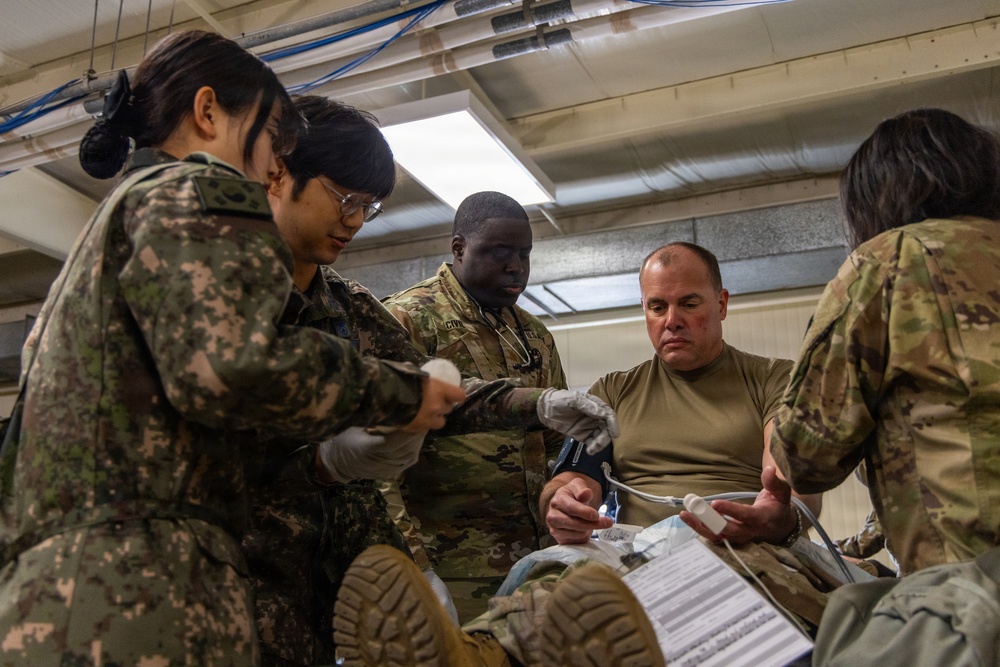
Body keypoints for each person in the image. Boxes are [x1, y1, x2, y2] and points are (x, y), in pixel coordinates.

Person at [0, 31, 464, 666]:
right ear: (208, 111)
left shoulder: (123, 217)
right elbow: (231, 366)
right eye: (272, 137)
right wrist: (399, 395)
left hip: (69, 583)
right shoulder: (196, 190)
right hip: (140, 583)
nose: (274, 167)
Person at [244, 97, 620, 666]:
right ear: (277, 175)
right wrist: (413, 559)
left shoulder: (349, 307)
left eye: (368, 208)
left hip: (328, 580)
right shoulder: (229, 298)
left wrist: (538, 404)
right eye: (345, 200)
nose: (354, 221)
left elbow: (433, 393)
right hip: (250, 576)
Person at [771, 107, 1000, 575]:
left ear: (874, 195)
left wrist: (775, 431)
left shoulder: (888, 261)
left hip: (971, 585)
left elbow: (806, 458)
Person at [542, 241, 820, 548]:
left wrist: (776, 515)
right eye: (658, 307)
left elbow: (791, 484)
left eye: (688, 304)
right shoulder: (610, 393)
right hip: (636, 558)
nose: (671, 320)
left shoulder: (776, 380)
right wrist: (562, 503)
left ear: (721, 304)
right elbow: (572, 479)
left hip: (744, 551)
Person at [380, 191, 573, 623]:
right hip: (448, 565)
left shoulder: (533, 333)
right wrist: (414, 567)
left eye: (524, 254)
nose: (516, 266)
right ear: (459, 248)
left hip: (536, 561)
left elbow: (557, 442)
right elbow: (376, 466)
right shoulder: (406, 320)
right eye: (500, 252)